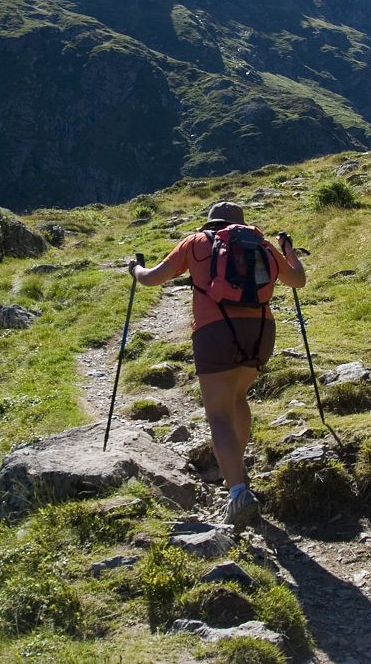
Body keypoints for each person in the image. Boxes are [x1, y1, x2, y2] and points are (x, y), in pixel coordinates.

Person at [128, 201, 306, 526]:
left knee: (219, 415)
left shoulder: (196, 243)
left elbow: (152, 279)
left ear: (211, 223)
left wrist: (135, 269)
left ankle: (238, 493)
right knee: (238, 397)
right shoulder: (261, 245)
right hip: (261, 334)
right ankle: (239, 474)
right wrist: (289, 251)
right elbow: (297, 280)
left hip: (216, 333)